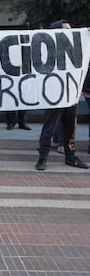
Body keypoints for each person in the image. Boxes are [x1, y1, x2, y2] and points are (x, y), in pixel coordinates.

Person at [35, 19, 88, 170]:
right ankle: (42, 157)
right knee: (49, 128)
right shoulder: (48, 51)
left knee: (70, 128)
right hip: (55, 96)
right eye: (66, 30)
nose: (70, 33)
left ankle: (70, 157)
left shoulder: (74, 48)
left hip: (70, 95)